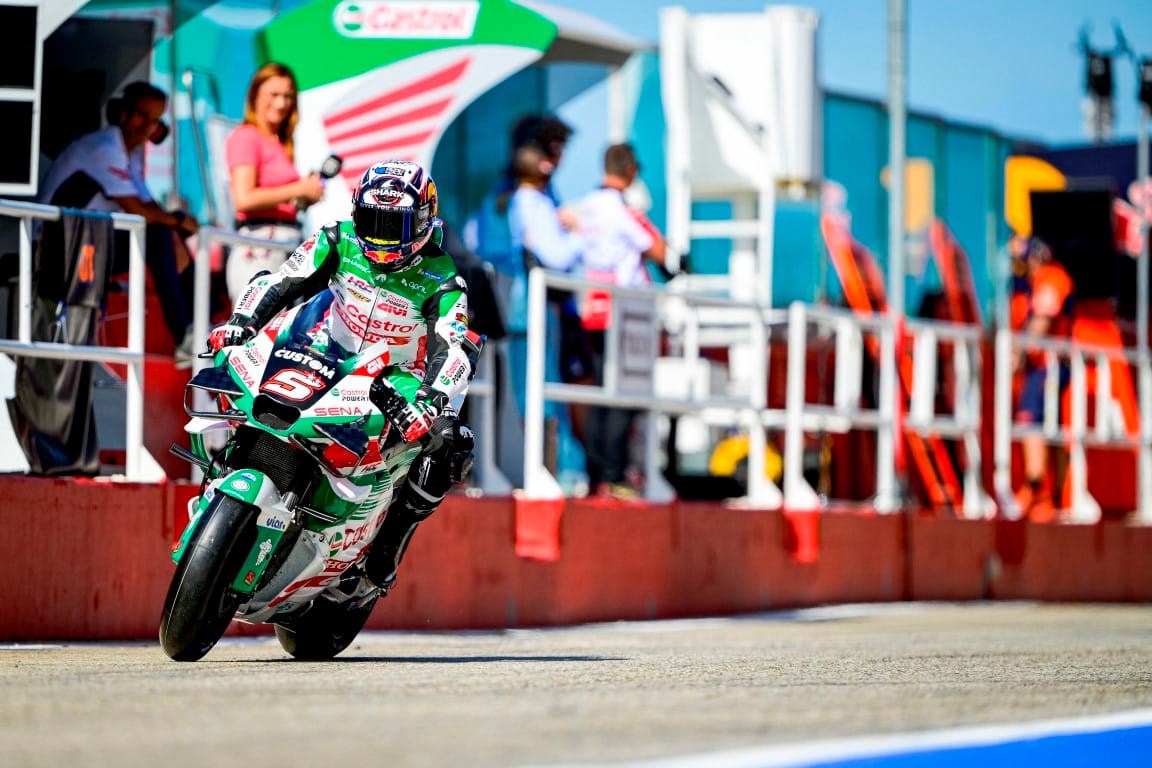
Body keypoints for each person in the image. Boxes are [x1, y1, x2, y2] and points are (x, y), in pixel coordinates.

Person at [208, 159, 477, 596]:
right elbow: (282, 280)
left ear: (425, 221)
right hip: (319, 349)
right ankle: (224, 474)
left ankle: (385, 553)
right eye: (374, 220)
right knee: (232, 377)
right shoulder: (336, 238)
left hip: (395, 378)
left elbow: (454, 348)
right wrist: (242, 320)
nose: (383, 235)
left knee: (452, 444)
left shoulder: (444, 279)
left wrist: (433, 401)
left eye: (396, 224)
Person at [38, 80, 199, 361]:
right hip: (55, 247)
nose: (146, 126)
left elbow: (150, 207)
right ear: (121, 113)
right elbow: (141, 211)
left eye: (154, 120)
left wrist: (175, 228)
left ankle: (198, 328)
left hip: (87, 241)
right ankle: (184, 333)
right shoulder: (103, 146)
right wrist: (174, 223)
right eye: (141, 115)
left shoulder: (130, 155)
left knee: (167, 236)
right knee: (159, 235)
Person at [577, 143, 667, 498]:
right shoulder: (621, 210)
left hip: (593, 306)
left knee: (601, 388)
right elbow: (657, 248)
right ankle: (615, 475)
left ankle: (595, 474)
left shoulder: (587, 206)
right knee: (624, 392)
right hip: (625, 309)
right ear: (631, 170)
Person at [224, 62, 325, 304]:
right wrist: (300, 188)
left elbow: (275, 198)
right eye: (274, 94)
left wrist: (304, 198)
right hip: (258, 250)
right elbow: (244, 198)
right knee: (260, 336)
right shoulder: (247, 136)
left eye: (288, 96)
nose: (281, 103)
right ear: (255, 96)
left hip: (282, 248)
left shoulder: (279, 142)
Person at [1011, 236, 1074, 522]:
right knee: (1051, 429)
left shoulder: (1052, 278)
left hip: (1048, 365)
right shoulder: (1031, 284)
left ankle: (1036, 488)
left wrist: (1017, 355)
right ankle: (1053, 493)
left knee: (1031, 419)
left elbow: (1041, 323)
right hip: (1042, 365)